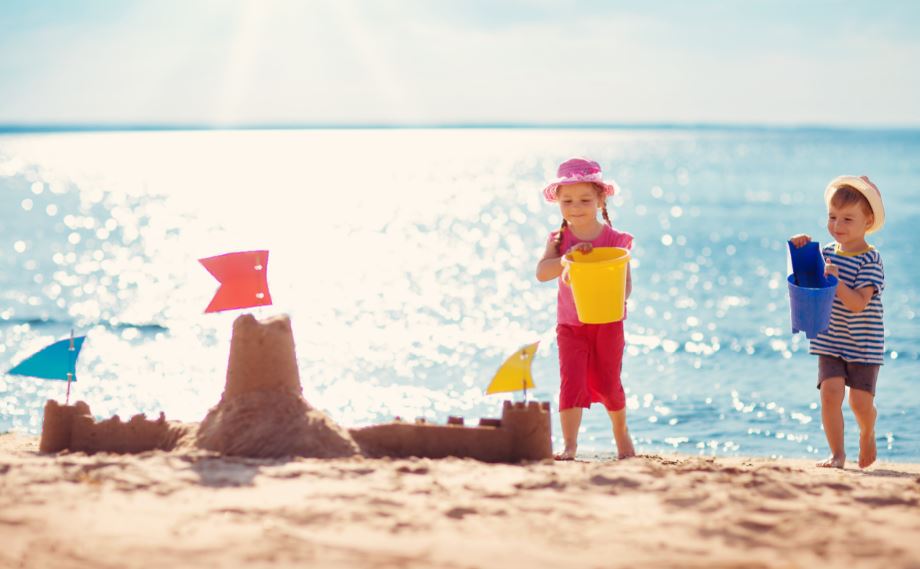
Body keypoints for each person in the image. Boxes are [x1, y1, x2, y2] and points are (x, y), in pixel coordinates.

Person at [535, 157, 635, 461]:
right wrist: (567, 258)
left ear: (600, 199)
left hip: (607, 322)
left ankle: (621, 433)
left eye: (584, 199)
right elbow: (542, 272)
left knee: (608, 383)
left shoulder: (615, 240)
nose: (575, 207)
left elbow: (626, 284)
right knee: (572, 381)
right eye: (567, 201)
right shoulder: (559, 239)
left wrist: (618, 299)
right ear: (558, 203)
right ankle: (570, 444)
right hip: (570, 324)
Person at [789, 175, 886, 469]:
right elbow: (807, 280)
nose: (837, 226)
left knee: (859, 402)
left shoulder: (871, 260)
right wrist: (801, 249)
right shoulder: (826, 254)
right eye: (832, 217)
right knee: (830, 394)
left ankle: (868, 430)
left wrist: (838, 281)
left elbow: (857, 304)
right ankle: (837, 454)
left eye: (847, 219)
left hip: (863, 342)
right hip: (830, 339)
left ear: (867, 222)